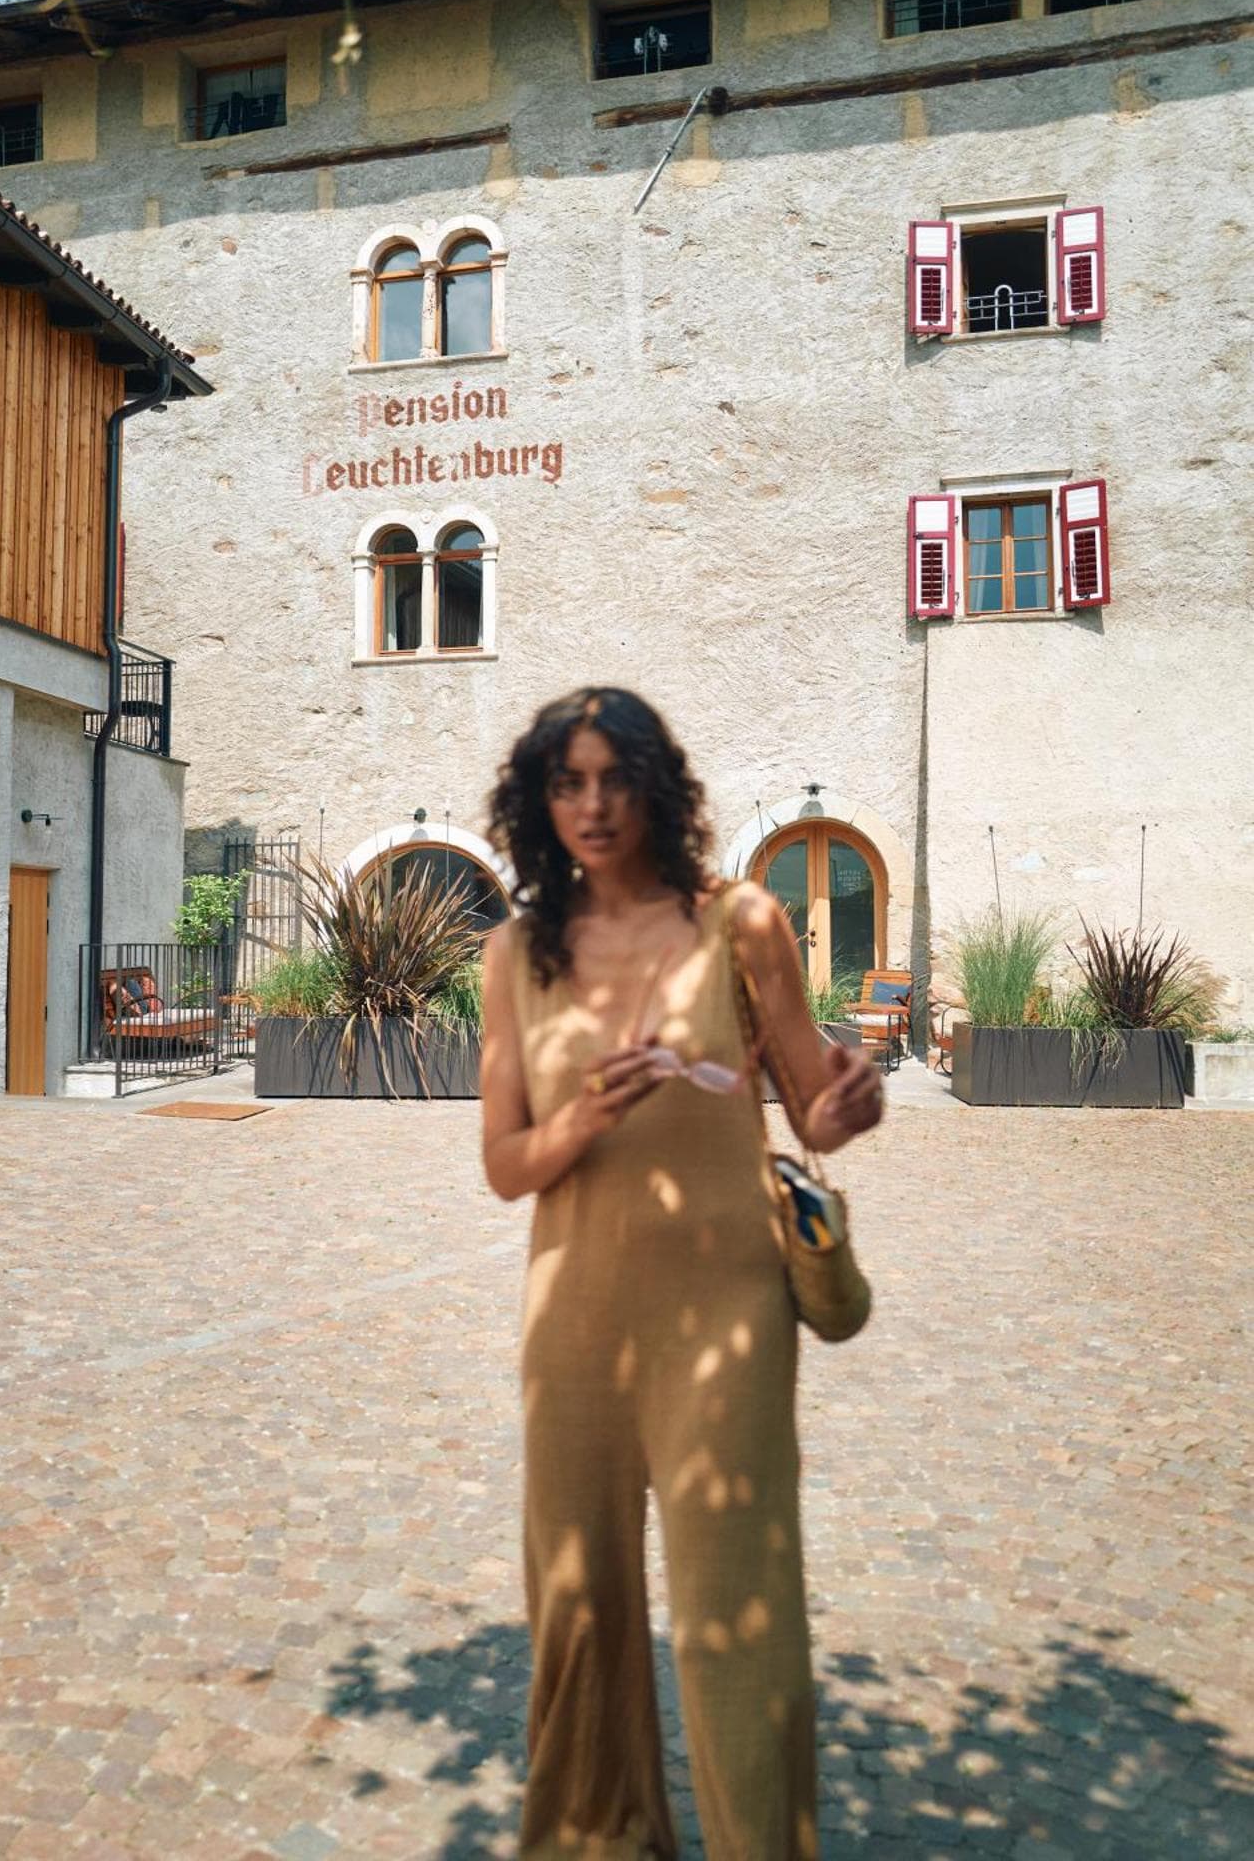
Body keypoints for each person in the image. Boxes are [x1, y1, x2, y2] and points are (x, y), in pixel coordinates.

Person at [481, 687, 885, 1861]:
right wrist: (582, 1120)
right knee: (578, 1603)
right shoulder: (514, 953)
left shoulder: (741, 922)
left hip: (727, 1310)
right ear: (540, 801)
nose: (594, 804)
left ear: (656, 786)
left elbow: (810, 1101)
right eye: (568, 782)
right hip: (573, 1317)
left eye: (615, 777)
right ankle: (595, 1838)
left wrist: (851, 1104)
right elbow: (504, 1164)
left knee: (734, 1612)